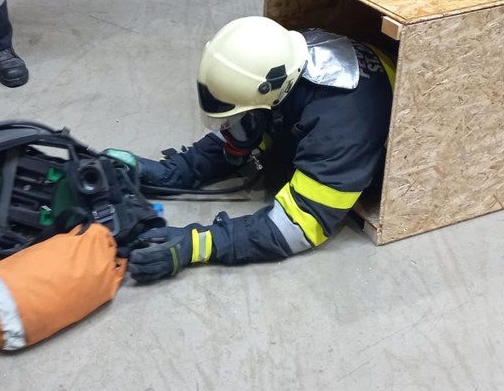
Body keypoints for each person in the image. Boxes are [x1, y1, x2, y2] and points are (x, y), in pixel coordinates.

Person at [126, 17, 395, 283]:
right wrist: (173, 171)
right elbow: (246, 124)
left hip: (372, 134)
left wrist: (198, 244)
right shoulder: (284, 54)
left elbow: (298, 225)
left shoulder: (341, 132)